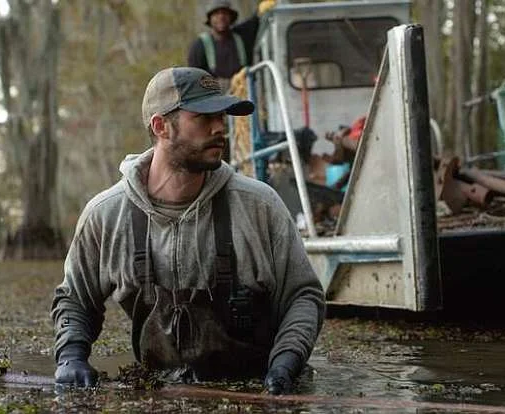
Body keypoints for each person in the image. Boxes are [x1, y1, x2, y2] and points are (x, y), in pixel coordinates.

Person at [51, 66, 326, 395]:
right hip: (158, 391)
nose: (218, 129)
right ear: (160, 126)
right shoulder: (106, 215)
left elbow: (303, 296)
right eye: (202, 117)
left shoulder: (259, 206)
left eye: (221, 117)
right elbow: (74, 299)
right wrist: (71, 357)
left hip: (261, 389)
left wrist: (287, 361)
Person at [187, 0, 274, 90]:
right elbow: (194, 78)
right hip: (215, 98)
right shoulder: (200, 45)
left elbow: (256, 19)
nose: (221, 16)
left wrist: (263, 8)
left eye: (225, 13)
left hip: (245, 94)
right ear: (210, 19)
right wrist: (221, 85)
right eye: (216, 14)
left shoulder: (242, 36)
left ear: (231, 17)